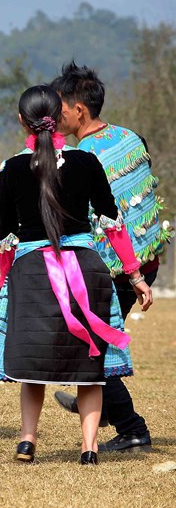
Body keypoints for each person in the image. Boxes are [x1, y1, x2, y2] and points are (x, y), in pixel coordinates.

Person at [0, 85, 152, 465]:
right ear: (60, 118)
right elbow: (113, 224)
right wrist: (134, 275)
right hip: (87, 270)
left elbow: (5, 238)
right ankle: (89, 449)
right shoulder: (87, 163)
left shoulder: (13, 168)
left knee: (34, 365)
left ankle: (27, 441)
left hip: (33, 273)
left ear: (22, 120)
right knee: (90, 367)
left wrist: (1, 289)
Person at [50, 61, 170, 453]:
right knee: (89, 342)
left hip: (116, 267)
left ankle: (131, 427)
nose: (56, 115)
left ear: (78, 110)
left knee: (90, 348)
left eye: (61, 108)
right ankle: (98, 407)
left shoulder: (81, 156)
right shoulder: (131, 138)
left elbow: (93, 218)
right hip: (145, 260)